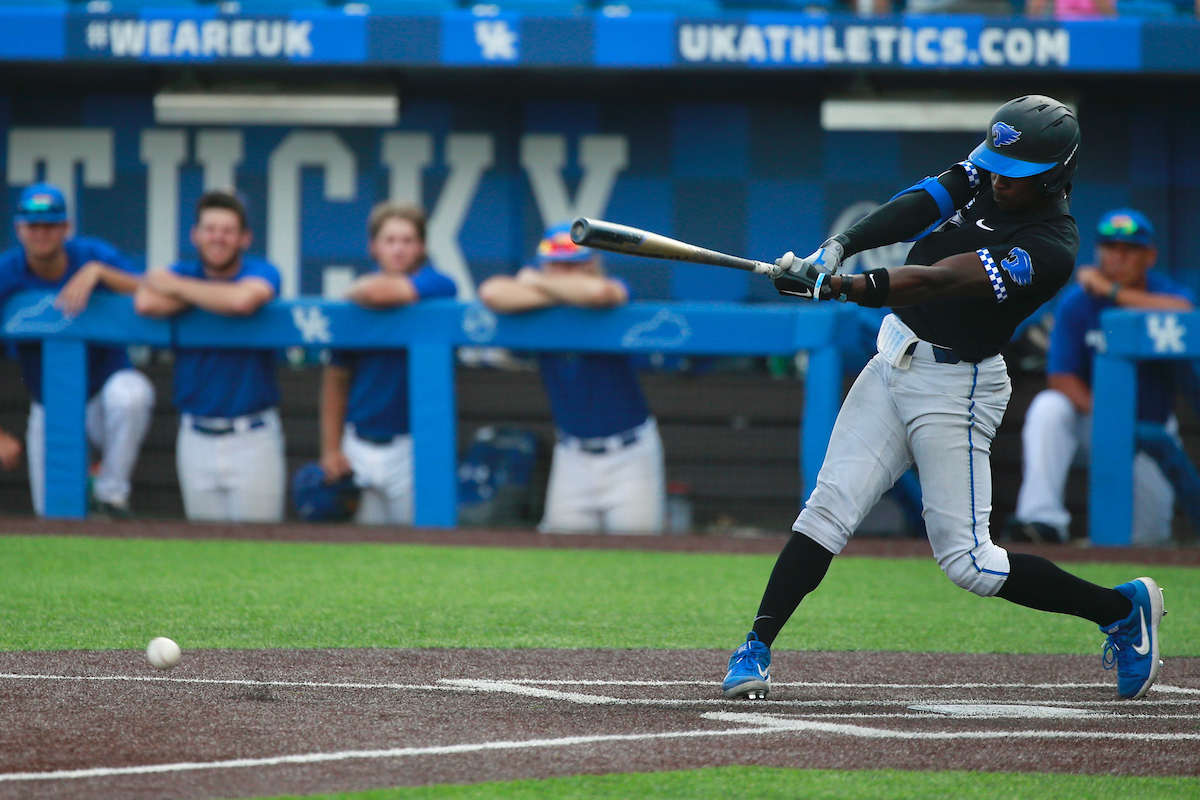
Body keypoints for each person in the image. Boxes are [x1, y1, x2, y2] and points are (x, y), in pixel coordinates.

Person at [722, 96, 1165, 703]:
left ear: (1056, 175)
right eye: (995, 166)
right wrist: (838, 249)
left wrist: (850, 287)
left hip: (956, 387)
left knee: (970, 564)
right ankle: (757, 645)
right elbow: (919, 205)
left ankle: (1121, 609)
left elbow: (943, 277)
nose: (998, 180)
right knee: (826, 510)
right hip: (894, 358)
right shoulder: (991, 171)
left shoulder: (1050, 247)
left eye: (1015, 175)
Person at [1006, 209, 1198, 545]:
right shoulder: (1077, 302)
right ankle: (1042, 519)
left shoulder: (1164, 292)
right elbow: (1061, 378)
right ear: (1099, 252)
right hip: (1091, 421)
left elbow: (1184, 316)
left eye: (1130, 248)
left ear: (1149, 255)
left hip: (1151, 426)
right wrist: (1112, 421)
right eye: (1111, 247)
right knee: (1049, 407)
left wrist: (1112, 293)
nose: (1119, 256)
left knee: (1149, 539)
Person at [478, 223, 665, 534]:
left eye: (573, 265)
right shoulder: (543, 305)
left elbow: (600, 293)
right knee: (561, 553)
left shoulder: (610, 287)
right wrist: (560, 291)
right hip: (572, 455)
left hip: (630, 453)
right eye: (557, 265)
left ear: (591, 264)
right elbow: (492, 292)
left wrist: (540, 283)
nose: (564, 272)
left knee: (639, 555)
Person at [0, 183, 155, 517]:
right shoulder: (8, 270)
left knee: (132, 394)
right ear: (19, 229)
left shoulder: (92, 255)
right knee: (54, 518)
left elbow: (153, 289)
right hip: (49, 404)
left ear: (66, 228)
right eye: (33, 225)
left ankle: (110, 491)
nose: (42, 233)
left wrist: (100, 273)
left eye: (51, 225)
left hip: (103, 395)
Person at [134, 190, 284, 523]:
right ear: (195, 235)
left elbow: (243, 301)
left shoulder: (262, 269)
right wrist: (205, 293)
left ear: (244, 238)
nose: (218, 237)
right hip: (194, 434)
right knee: (204, 550)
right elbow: (145, 303)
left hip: (253, 434)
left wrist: (179, 288)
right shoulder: (182, 269)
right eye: (210, 229)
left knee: (261, 550)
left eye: (228, 230)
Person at [318, 203, 457, 525]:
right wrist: (330, 448)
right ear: (374, 246)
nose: (399, 248)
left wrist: (354, 290)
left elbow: (378, 292)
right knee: (357, 551)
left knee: (420, 548)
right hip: (359, 443)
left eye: (408, 240)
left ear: (421, 247)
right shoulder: (355, 310)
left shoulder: (438, 286)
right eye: (390, 240)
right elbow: (336, 379)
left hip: (412, 445)